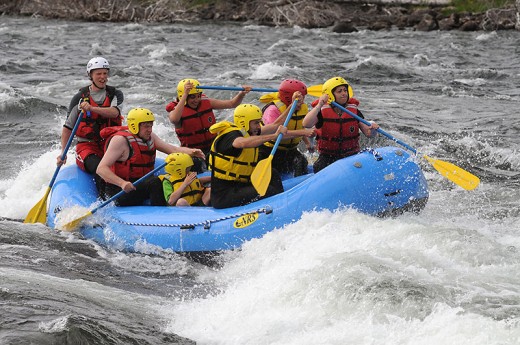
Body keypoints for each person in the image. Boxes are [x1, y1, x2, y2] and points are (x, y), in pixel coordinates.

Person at [208, 103, 313, 209]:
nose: (259, 126)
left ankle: (283, 204)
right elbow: (241, 143)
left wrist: (292, 106)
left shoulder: (249, 132)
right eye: (256, 123)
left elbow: (275, 125)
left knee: (273, 174)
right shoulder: (229, 136)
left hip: (242, 185)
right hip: (224, 195)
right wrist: (273, 136)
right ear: (244, 122)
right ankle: (277, 208)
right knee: (269, 191)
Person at [96, 108, 204, 206]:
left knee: (192, 164)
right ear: (134, 125)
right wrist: (122, 183)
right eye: (146, 126)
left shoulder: (149, 137)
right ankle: (162, 213)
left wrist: (192, 152)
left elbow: (173, 150)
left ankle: (195, 200)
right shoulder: (120, 140)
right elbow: (101, 169)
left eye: (151, 126)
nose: (150, 129)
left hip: (139, 185)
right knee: (154, 182)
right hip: (120, 191)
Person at [57, 56, 124, 192]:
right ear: (91, 75)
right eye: (98, 73)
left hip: (109, 144)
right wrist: (62, 153)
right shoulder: (79, 98)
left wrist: (92, 108)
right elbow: (67, 128)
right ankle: (105, 200)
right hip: (86, 147)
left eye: (105, 73)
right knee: (100, 168)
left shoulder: (115, 94)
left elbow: (114, 113)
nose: (102, 77)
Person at [165, 78, 252, 172]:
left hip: (212, 147)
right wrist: (185, 94)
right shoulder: (177, 110)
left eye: (198, 96)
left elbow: (232, 104)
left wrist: (241, 93)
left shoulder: (206, 102)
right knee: (198, 165)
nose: (196, 100)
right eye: (192, 97)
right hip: (193, 153)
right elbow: (174, 119)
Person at [302, 76, 380, 174]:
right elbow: (306, 124)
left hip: (351, 156)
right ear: (330, 94)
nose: (344, 93)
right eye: (339, 91)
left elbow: (369, 134)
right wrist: (320, 104)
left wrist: (373, 129)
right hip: (328, 157)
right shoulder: (321, 110)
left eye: (345, 90)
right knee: (319, 166)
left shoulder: (354, 111)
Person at [260, 79, 315, 177]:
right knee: (274, 172)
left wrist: (307, 143)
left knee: (301, 162)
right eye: (301, 98)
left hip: (290, 150)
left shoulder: (302, 108)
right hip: (271, 150)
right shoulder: (272, 110)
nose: (303, 102)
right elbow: (276, 135)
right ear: (289, 98)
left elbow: (299, 126)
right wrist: (303, 132)